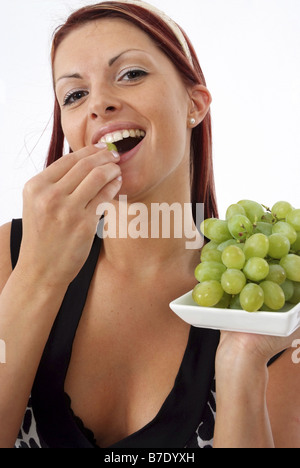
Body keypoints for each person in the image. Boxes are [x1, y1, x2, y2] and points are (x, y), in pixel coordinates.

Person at [0, 0, 299, 449]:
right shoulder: (9, 256)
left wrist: (242, 364)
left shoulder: (270, 300)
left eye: (131, 74)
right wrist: (37, 277)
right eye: (75, 95)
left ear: (194, 104)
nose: (99, 103)